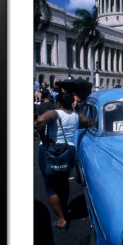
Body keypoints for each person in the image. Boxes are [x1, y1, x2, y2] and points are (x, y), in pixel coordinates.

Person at [36, 92, 92, 231]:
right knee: (63, 182)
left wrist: (43, 138)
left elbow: (41, 120)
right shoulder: (76, 116)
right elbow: (91, 122)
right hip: (68, 152)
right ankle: (65, 208)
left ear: (58, 103)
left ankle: (62, 219)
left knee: (50, 187)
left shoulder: (55, 113)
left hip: (50, 151)